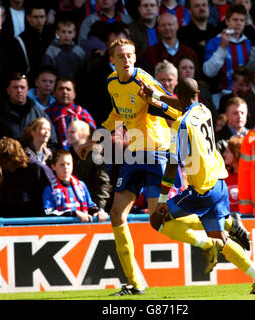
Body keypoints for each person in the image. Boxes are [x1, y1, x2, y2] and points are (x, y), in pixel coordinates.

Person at [78, 39, 228, 296]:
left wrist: (157, 101)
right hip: (134, 154)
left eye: (130, 55)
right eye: (121, 56)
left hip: (157, 153)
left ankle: (215, 231)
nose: (126, 60)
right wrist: (94, 139)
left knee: (158, 220)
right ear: (111, 61)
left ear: (135, 58)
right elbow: (117, 115)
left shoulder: (143, 81)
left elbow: (177, 107)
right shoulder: (112, 82)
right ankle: (134, 284)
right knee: (116, 216)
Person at [146, 78, 255, 294]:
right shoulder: (203, 109)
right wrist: (156, 97)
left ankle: (207, 242)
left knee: (157, 220)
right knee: (221, 240)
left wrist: (162, 199)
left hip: (201, 191)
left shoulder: (181, 125)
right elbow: (181, 103)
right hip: (219, 182)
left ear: (182, 96)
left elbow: (172, 165)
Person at [0, 137, 54, 218]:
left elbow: (52, 200)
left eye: (7, 162)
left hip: (38, 223)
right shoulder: (6, 172)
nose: (6, 166)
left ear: (14, 157)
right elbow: (2, 203)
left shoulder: (39, 170)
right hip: (13, 224)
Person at [43, 149, 109, 222]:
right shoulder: (50, 189)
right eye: (62, 164)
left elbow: (90, 206)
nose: (66, 167)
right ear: (53, 167)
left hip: (83, 227)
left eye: (68, 164)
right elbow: (49, 212)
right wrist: (73, 213)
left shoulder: (81, 185)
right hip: (61, 230)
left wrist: (99, 211)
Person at [203, 4, 252, 102]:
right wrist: (222, 47)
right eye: (235, 20)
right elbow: (208, 71)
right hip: (220, 96)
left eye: (242, 20)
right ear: (227, 21)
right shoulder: (215, 42)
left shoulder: (248, 43)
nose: (238, 23)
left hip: (245, 95)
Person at [0, 73, 58, 146]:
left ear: (27, 90)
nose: (19, 90)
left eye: (22, 87)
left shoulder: (39, 114)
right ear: (8, 91)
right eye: (15, 87)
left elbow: (52, 143)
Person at [66, 119, 111, 210]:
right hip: (76, 208)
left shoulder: (97, 154)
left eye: (72, 132)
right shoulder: (68, 155)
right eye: (67, 132)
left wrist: (99, 208)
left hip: (95, 208)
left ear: (84, 134)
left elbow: (103, 184)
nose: (68, 135)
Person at [7, 3, 55, 83]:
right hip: (29, 84)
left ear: (46, 17)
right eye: (35, 17)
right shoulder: (19, 41)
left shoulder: (52, 38)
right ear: (28, 18)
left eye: (42, 17)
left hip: (51, 83)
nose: (39, 20)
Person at [46, 76, 96, 149]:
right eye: (61, 89)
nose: (64, 92)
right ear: (54, 93)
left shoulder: (81, 113)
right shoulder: (47, 114)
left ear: (74, 94)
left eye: (68, 89)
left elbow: (94, 135)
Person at [177, 0, 221, 67]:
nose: (202, 8)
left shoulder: (217, 31)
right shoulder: (183, 33)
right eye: (197, 6)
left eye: (204, 5)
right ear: (189, 11)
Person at [223, 135, 243, 213]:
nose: (224, 154)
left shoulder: (250, 176)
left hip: (247, 219)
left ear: (236, 153)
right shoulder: (223, 175)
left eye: (227, 152)